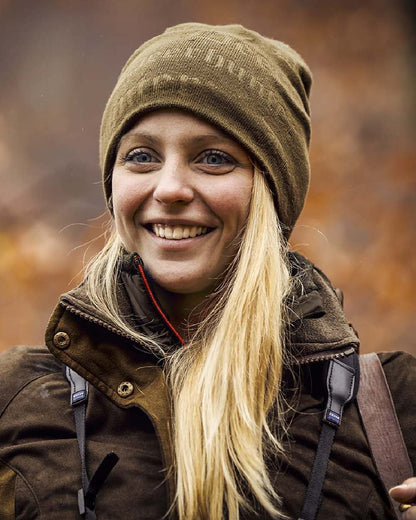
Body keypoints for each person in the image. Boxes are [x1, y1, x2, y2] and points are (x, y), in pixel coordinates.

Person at [0, 22, 414, 520]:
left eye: (213, 158)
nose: (170, 187)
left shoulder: (390, 408)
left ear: (271, 192)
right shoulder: (16, 399)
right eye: (141, 156)